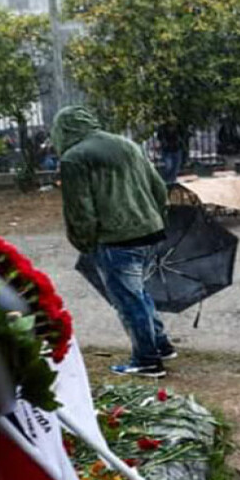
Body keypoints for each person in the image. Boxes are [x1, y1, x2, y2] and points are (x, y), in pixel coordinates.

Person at [52, 106, 177, 377]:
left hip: (116, 238)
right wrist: (154, 218)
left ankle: (147, 360)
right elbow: (157, 186)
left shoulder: (74, 158)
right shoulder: (126, 144)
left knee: (128, 301)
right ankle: (161, 345)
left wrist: (84, 242)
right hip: (149, 231)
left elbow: (79, 209)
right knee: (138, 293)